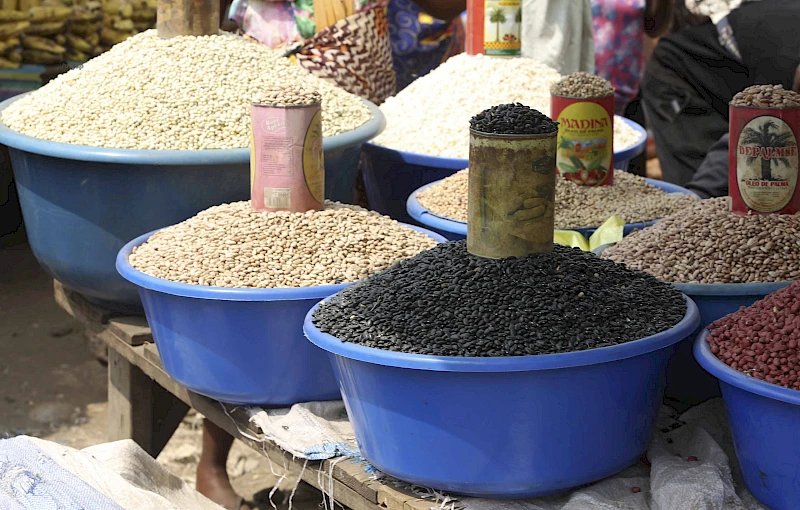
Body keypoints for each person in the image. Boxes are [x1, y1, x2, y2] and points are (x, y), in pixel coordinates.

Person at [641, 0, 800, 189]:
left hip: (751, 57)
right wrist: (698, 200)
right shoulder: (786, 71)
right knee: (711, 194)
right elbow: (759, 135)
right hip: (683, 73)